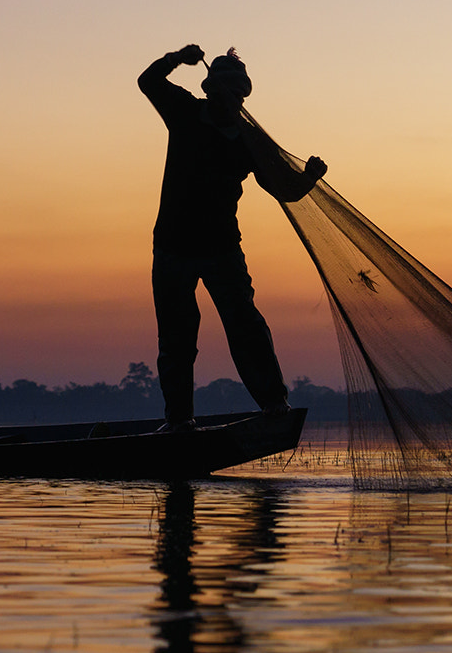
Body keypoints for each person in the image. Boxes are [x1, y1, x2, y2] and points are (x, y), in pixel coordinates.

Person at [139, 45, 326, 430]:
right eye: (226, 91)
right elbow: (148, 82)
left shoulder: (248, 139)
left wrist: (309, 177)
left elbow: (283, 188)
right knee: (176, 338)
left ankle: (275, 404)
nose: (232, 99)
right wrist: (176, 57)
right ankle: (178, 421)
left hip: (222, 248)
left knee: (245, 326)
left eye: (238, 94)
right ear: (210, 90)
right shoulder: (185, 112)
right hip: (173, 247)